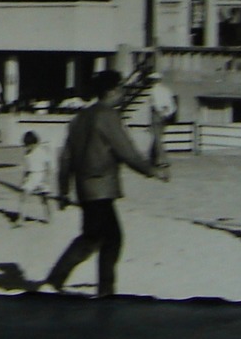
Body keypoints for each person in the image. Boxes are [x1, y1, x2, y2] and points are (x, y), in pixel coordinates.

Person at [42, 69, 169, 298]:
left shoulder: (80, 117)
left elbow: (65, 157)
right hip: (100, 188)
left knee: (101, 237)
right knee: (99, 238)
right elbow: (126, 152)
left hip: (84, 187)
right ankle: (68, 283)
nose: (122, 92)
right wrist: (152, 171)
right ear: (111, 91)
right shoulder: (108, 116)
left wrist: (63, 189)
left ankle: (75, 284)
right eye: (120, 87)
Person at [14, 130, 55, 226]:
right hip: (31, 176)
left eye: (30, 145)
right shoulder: (27, 154)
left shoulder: (41, 151)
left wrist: (47, 178)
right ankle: (21, 218)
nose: (28, 147)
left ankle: (49, 217)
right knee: (23, 196)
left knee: (45, 199)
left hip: (41, 175)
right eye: (26, 145)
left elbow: (48, 165)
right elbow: (27, 168)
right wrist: (24, 179)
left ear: (34, 143)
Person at [147, 72, 178, 167]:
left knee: (157, 139)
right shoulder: (166, 90)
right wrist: (167, 114)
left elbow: (156, 104)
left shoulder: (153, 91)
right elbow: (173, 105)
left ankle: (162, 160)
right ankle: (152, 159)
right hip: (165, 115)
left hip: (157, 115)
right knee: (157, 137)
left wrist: (160, 112)